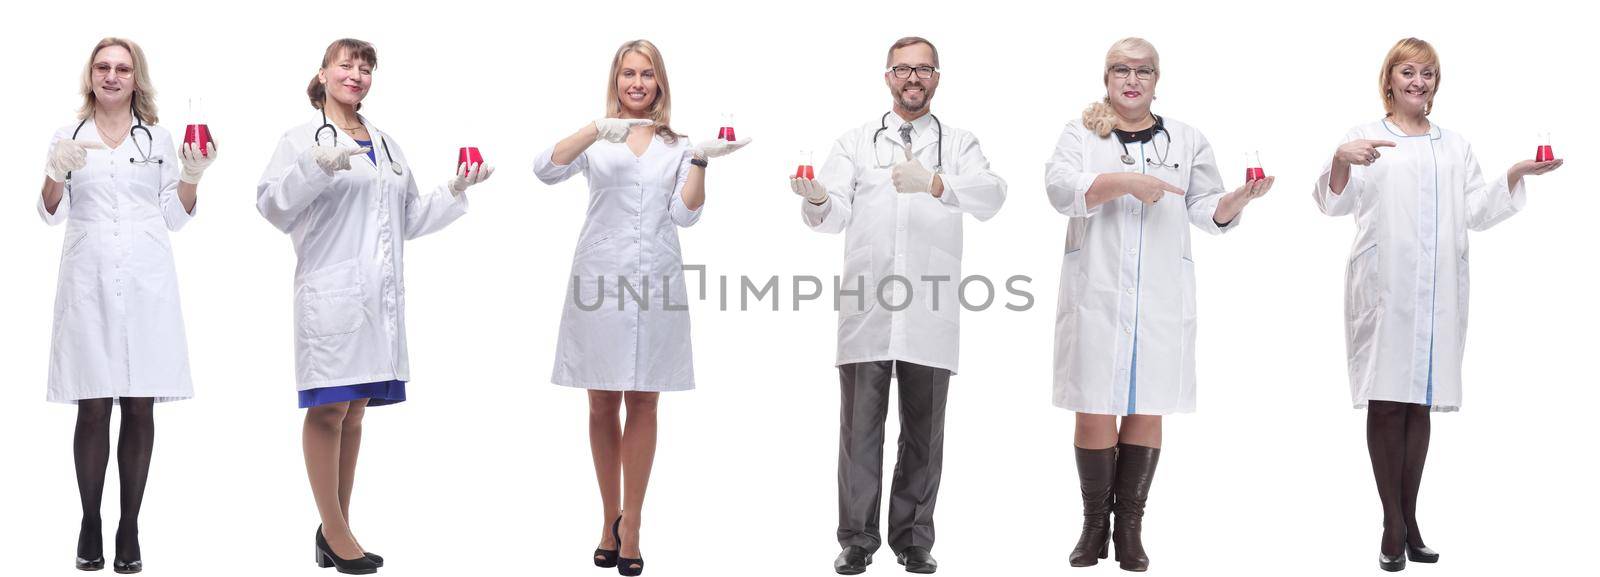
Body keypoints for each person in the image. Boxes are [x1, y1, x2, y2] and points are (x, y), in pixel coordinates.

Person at [1312, 37, 1562, 572]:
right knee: (1386, 399)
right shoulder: (1365, 138)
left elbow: (1475, 208)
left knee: (1419, 402)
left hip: (1435, 291)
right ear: (1389, 80)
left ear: (1435, 85)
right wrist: (1338, 158)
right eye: (1408, 71)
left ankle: (1412, 517)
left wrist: (1515, 175)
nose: (1418, 82)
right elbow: (1335, 203)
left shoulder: (1454, 145)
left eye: (1427, 73)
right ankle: (1391, 523)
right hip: (1383, 290)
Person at [256, 37, 493, 575]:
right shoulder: (299, 139)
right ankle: (336, 531)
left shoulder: (386, 144)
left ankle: (335, 526)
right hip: (330, 293)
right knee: (329, 407)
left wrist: (455, 190)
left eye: (365, 68)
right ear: (323, 73)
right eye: (347, 65)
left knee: (356, 409)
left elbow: (406, 221)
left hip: (377, 300)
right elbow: (272, 206)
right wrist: (317, 166)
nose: (357, 75)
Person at [1046, 37, 1272, 573]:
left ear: (1156, 79)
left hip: (1161, 293)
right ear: (1106, 78)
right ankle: (1094, 524)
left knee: (1148, 402)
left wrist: (1235, 201)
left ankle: (1129, 529)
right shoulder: (1080, 132)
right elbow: (1059, 190)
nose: (1132, 79)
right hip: (1097, 289)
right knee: (1095, 403)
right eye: (1121, 69)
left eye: (1143, 70)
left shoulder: (1186, 138)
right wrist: (1125, 182)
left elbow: (1204, 207)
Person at [791, 36, 1006, 575]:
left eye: (924, 69)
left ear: (938, 78)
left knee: (923, 433)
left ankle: (913, 539)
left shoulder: (958, 144)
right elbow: (834, 212)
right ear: (887, 76)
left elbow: (992, 194)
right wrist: (817, 197)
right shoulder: (856, 142)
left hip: (930, 311)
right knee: (858, 432)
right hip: (867, 308)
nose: (914, 78)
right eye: (903, 69)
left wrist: (935, 183)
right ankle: (858, 540)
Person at [534, 39, 748, 577]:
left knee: (646, 401)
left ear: (659, 82)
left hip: (655, 281)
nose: (637, 83)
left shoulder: (676, 144)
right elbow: (544, 168)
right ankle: (610, 516)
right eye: (628, 73)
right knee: (602, 401)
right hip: (599, 283)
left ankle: (634, 524)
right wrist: (593, 128)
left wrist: (701, 159)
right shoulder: (598, 140)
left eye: (646, 74)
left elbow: (685, 215)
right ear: (616, 79)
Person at [38, 36, 215, 574]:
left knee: (139, 403)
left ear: (137, 79)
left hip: (146, 279)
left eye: (122, 68)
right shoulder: (67, 135)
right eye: (102, 67)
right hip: (87, 278)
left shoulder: (158, 138)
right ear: (90, 76)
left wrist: (190, 176)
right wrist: (55, 168)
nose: (112, 76)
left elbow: (175, 216)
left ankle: (128, 524)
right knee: (93, 401)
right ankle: (90, 518)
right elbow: (49, 212)